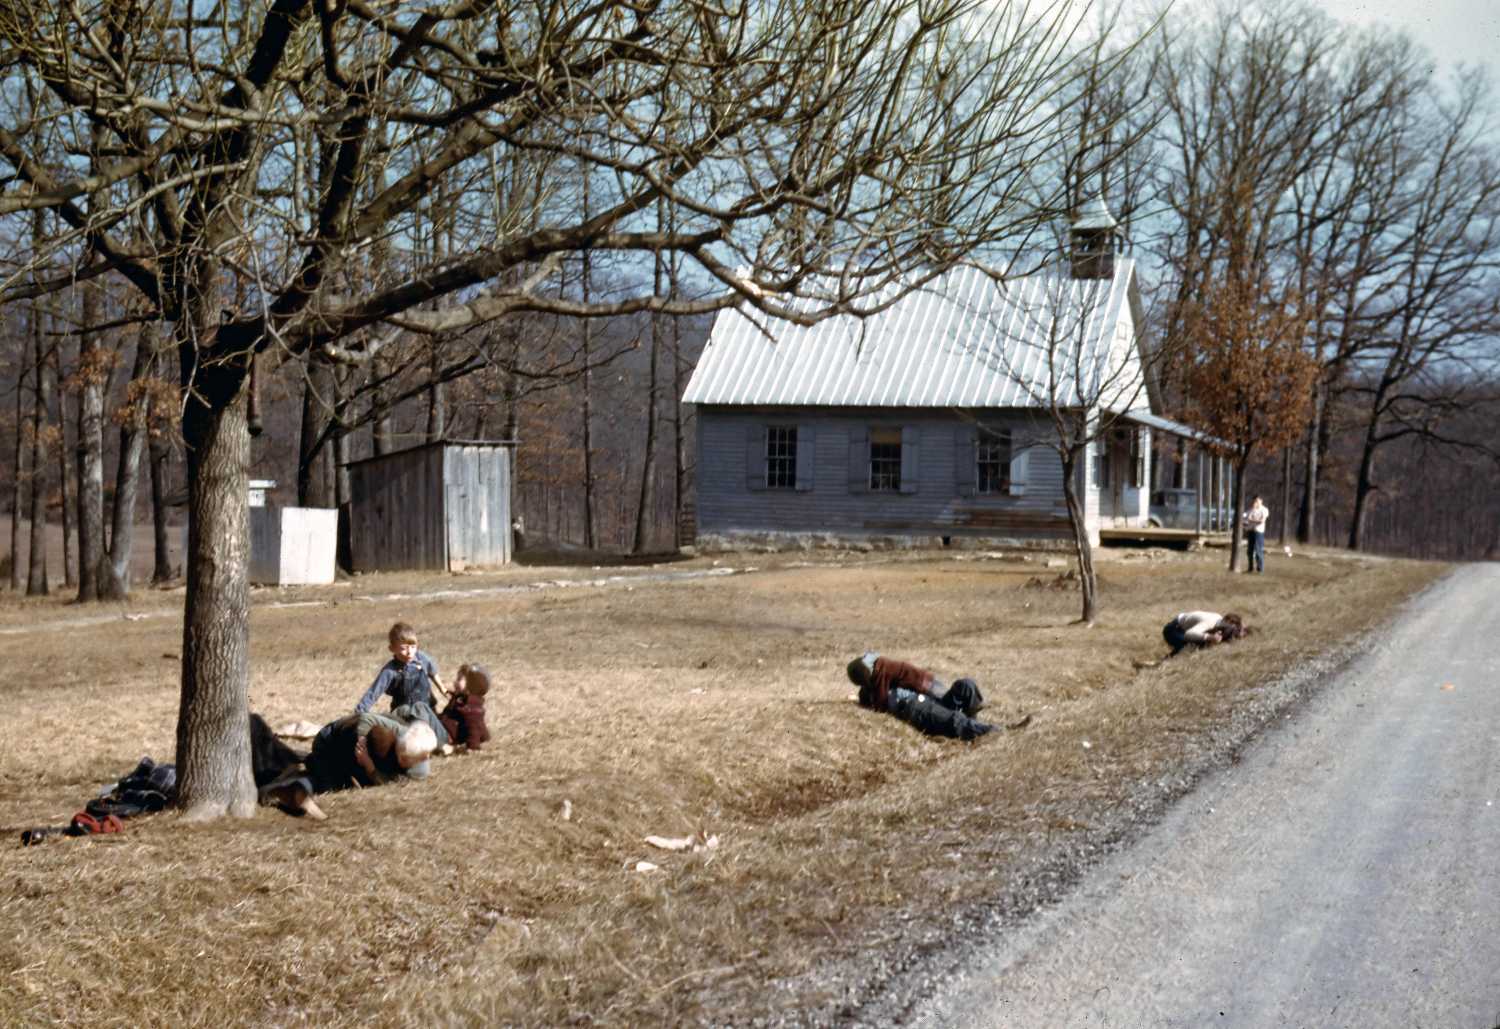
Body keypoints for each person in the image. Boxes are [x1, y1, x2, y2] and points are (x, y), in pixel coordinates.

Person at [251, 708, 439, 819]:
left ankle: (303, 772)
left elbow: (389, 782)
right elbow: (366, 718)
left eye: (407, 760)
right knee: (331, 784)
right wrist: (362, 740)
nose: (402, 761)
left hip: (359, 755)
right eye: (400, 755)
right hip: (330, 742)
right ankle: (293, 783)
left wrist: (369, 766)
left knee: (346, 783)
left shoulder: (419, 767)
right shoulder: (391, 733)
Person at [846, 652, 1014, 741]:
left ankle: (977, 727)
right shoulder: (877, 683)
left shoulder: (882, 677)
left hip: (924, 699)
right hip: (916, 704)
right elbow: (877, 702)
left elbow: (877, 702)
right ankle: (995, 732)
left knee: (965, 686)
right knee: (953, 719)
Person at [354, 621, 450, 746]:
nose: (410, 652)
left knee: (425, 712)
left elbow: (433, 672)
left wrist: (443, 689)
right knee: (416, 714)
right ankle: (426, 743)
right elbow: (374, 691)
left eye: (413, 647)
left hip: (427, 710)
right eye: (404, 648)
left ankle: (442, 742)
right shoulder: (390, 670)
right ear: (392, 649)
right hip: (403, 713)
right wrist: (360, 711)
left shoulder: (422, 659)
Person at [438, 663, 492, 751]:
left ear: (471, 685)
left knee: (421, 708)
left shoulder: (471, 707)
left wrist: (472, 746)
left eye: (459, 679)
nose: (455, 682)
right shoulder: (460, 699)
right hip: (444, 729)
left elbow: (474, 728)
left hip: (448, 735)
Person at [1162, 611, 1249, 657]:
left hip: (1181, 628)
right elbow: (1189, 634)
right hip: (1172, 630)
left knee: (1200, 643)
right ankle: (1167, 660)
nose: (1230, 632)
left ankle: (1169, 658)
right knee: (1192, 644)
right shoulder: (1209, 622)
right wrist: (1209, 637)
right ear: (1228, 622)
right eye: (1231, 629)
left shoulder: (1219, 619)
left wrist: (1242, 628)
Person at [1244, 496, 1269, 573]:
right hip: (1250, 531)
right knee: (1249, 551)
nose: (1255, 503)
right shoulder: (1251, 510)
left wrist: (1251, 520)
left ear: (1261, 501)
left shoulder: (1264, 510)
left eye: (1257, 501)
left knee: (1258, 550)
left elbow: (1261, 521)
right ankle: (1250, 568)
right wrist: (1248, 521)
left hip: (1259, 532)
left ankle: (1260, 569)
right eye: (1254, 501)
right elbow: (1245, 519)